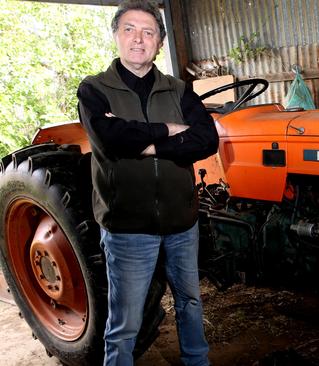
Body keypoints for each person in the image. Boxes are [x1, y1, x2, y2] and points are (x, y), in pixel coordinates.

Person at [76, 0, 216, 365]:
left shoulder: (179, 89)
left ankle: (196, 361)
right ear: (116, 36)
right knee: (126, 321)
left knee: (190, 302)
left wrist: (143, 144)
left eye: (148, 32)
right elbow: (110, 140)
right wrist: (171, 131)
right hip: (128, 227)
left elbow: (207, 140)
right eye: (129, 29)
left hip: (181, 221)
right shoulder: (94, 90)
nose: (139, 39)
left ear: (159, 41)